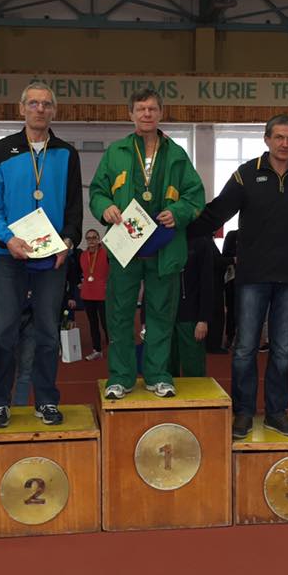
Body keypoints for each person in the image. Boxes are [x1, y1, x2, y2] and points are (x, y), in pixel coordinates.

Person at [190, 113, 288, 439]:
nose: (285, 143)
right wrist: (181, 230)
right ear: (267, 139)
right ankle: (244, 412)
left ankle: (276, 413)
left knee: (283, 351)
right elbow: (217, 211)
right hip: (252, 277)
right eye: (279, 137)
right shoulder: (246, 174)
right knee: (245, 348)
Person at [89, 87, 205, 400]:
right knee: (119, 314)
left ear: (161, 113)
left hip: (164, 247)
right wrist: (105, 207)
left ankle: (158, 375)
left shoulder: (177, 154)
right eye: (140, 109)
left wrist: (178, 212)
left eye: (152, 108)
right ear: (131, 114)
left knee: (161, 314)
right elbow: (97, 191)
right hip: (125, 246)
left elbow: (196, 195)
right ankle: (121, 377)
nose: (147, 114)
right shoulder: (116, 152)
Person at [0, 80, 82, 428]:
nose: (40, 109)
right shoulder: (3, 149)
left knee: (48, 333)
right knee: (4, 331)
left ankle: (46, 400)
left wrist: (68, 242)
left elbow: (74, 207)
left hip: (52, 258)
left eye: (46, 104)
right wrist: (8, 238)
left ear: (54, 111)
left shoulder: (67, 153)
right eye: (34, 103)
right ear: (21, 108)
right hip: (9, 255)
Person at [170, 234, 214, 377]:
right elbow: (151, 282)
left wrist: (203, 319)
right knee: (166, 369)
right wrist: (145, 318)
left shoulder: (201, 242)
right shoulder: (163, 239)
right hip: (165, 316)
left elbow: (207, 283)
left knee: (194, 368)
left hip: (191, 317)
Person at [78, 228, 109, 360]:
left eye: (94, 237)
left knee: (106, 323)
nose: (91, 240)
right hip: (88, 294)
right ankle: (97, 350)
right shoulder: (83, 255)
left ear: (98, 239)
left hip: (103, 294)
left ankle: (113, 349)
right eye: (88, 238)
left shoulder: (105, 253)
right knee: (93, 324)